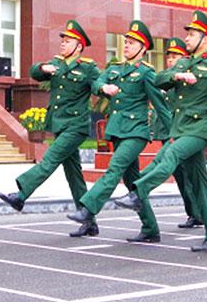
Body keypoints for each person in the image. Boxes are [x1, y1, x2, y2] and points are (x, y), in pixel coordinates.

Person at [114, 10, 207, 252]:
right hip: (182, 127)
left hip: (201, 128)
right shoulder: (184, 62)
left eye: (192, 34)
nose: (187, 38)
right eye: (188, 34)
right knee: (200, 186)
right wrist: (177, 74)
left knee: (172, 155)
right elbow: (159, 79)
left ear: (205, 39)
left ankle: (138, 192)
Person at [67, 21, 169, 242]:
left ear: (143, 48)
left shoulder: (146, 73)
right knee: (133, 182)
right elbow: (97, 83)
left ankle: (88, 208)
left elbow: (160, 105)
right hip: (118, 131)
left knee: (114, 168)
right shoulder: (114, 69)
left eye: (132, 43)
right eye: (126, 42)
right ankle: (150, 228)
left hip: (137, 131)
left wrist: (174, 133)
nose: (126, 46)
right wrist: (104, 88)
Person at [0, 20, 100, 236]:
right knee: (74, 174)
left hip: (76, 126)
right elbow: (34, 72)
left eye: (68, 41)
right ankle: (89, 220)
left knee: (49, 160)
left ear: (79, 46)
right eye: (62, 40)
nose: (63, 44)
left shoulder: (88, 68)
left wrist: (106, 88)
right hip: (60, 124)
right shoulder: (57, 63)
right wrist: (43, 68)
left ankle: (21, 195)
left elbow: (98, 85)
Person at [152, 37, 206, 230]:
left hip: (183, 131)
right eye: (169, 56)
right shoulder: (168, 77)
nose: (171, 60)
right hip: (168, 132)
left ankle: (202, 212)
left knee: (192, 176)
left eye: (175, 56)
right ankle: (193, 213)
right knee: (181, 177)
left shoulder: (189, 78)